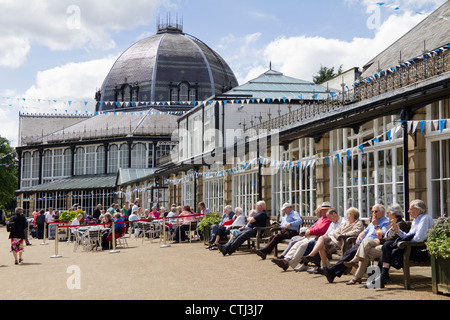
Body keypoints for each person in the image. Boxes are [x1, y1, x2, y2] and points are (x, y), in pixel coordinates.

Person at [370, 199, 435, 288]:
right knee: (387, 246)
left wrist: (403, 240)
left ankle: (382, 276)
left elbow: (419, 238)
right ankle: (383, 275)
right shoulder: (416, 220)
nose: (408, 211)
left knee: (387, 247)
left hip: (420, 249)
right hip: (411, 246)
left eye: (410, 209)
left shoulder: (425, 218)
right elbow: (408, 235)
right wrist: (398, 231)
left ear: (418, 210)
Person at [322, 203, 390, 283]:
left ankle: (333, 272)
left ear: (382, 212)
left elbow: (382, 235)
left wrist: (376, 225)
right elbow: (365, 231)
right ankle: (334, 272)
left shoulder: (385, 222)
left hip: (373, 243)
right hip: (364, 242)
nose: (373, 213)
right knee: (349, 252)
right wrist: (360, 235)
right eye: (372, 211)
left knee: (352, 253)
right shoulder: (373, 221)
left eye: (376, 211)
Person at [344, 203, 410, 285]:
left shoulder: (396, 223)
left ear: (394, 213)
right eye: (372, 211)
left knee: (365, 245)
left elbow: (390, 238)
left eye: (388, 212)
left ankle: (356, 264)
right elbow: (383, 235)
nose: (374, 213)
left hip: (388, 248)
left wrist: (378, 232)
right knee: (365, 249)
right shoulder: (391, 223)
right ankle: (356, 276)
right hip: (379, 245)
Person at [271, 203, 332, 272]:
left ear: (328, 210)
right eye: (321, 210)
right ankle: (286, 259)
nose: (322, 211)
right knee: (297, 243)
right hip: (312, 235)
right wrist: (308, 230)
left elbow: (321, 229)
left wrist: (310, 231)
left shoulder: (328, 219)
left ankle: (288, 263)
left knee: (302, 246)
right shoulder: (321, 218)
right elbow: (313, 227)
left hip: (318, 237)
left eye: (324, 210)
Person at [301, 208, 365, 274]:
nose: (346, 217)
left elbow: (356, 232)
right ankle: (323, 267)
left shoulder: (358, 223)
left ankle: (312, 256)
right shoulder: (346, 223)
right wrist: (337, 234)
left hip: (344, 243)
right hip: (336, 241)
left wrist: (342, 235)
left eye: (347, 215)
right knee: (321, 244)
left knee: (321, 240)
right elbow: (336, 231)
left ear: (352, 216)